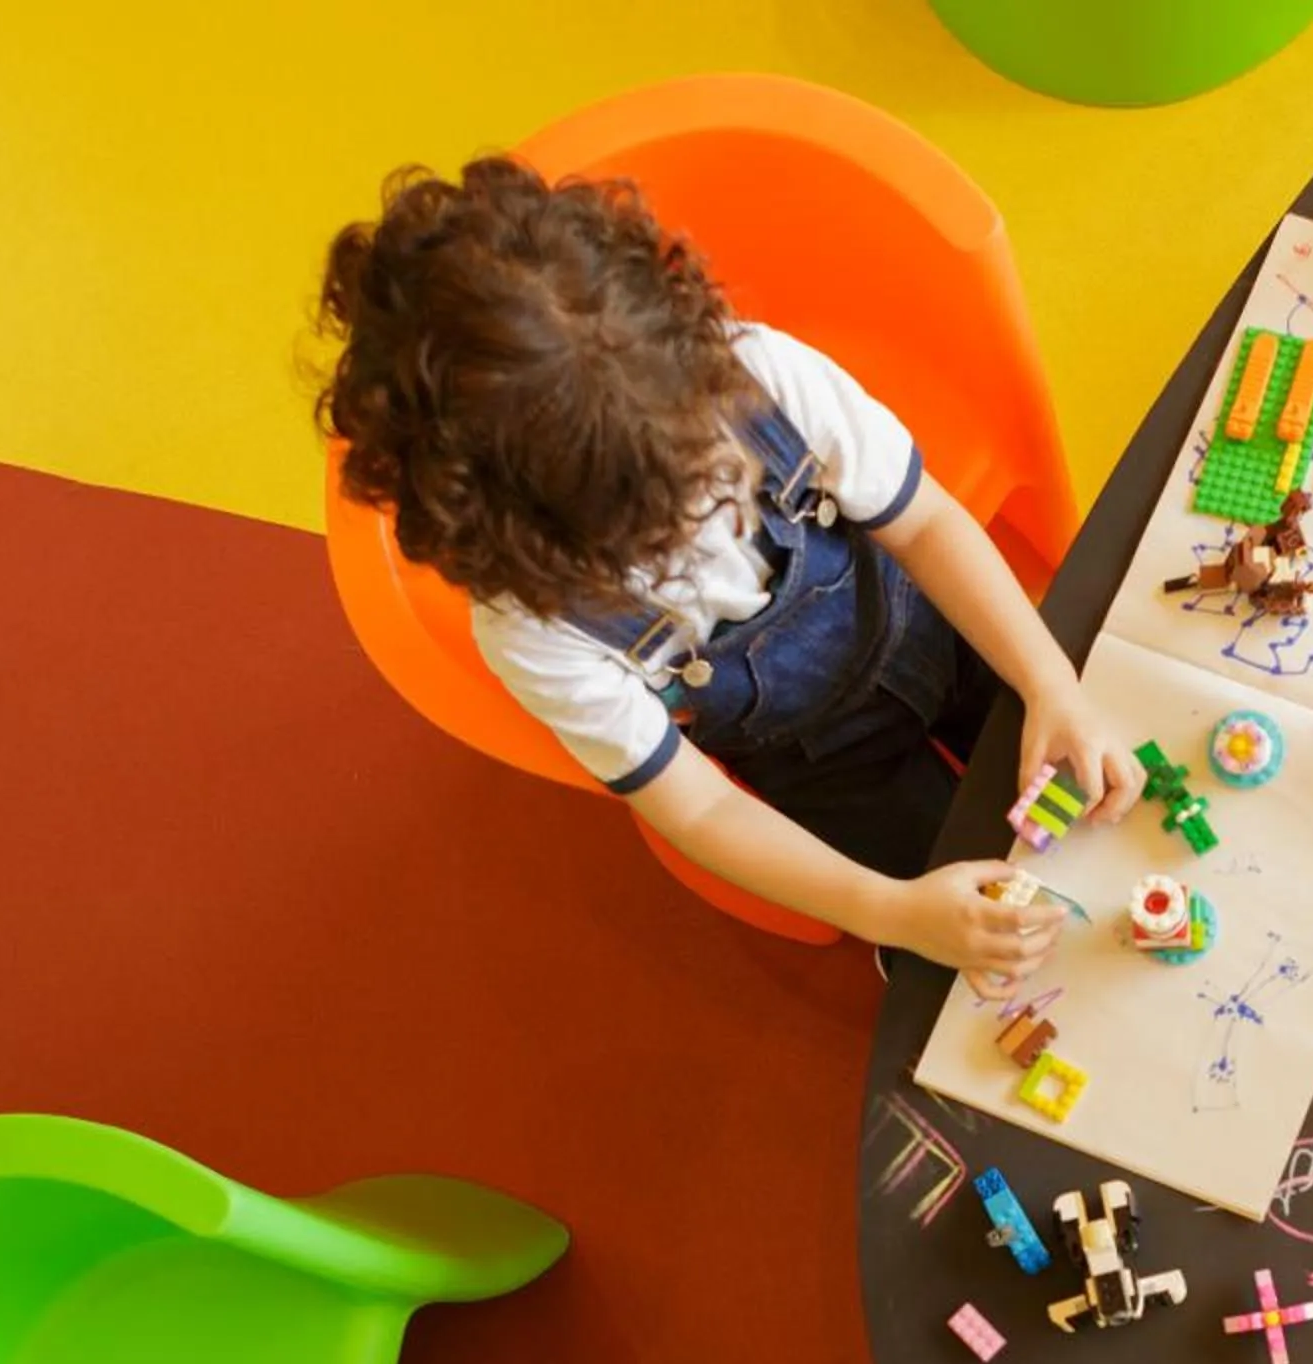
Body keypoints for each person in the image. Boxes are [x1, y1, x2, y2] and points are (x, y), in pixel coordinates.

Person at [315, 159, 1139, 981]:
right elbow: (699, 806)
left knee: (1104, 783)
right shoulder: (532, 624)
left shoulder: (758, 373)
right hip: (827, 769)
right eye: (651, 528)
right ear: (521, 535)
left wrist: (1047, 684)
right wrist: (892, 910)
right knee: (974, 924)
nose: (712, 514)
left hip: (937, 628)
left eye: (708, 469)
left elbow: (922, 523)